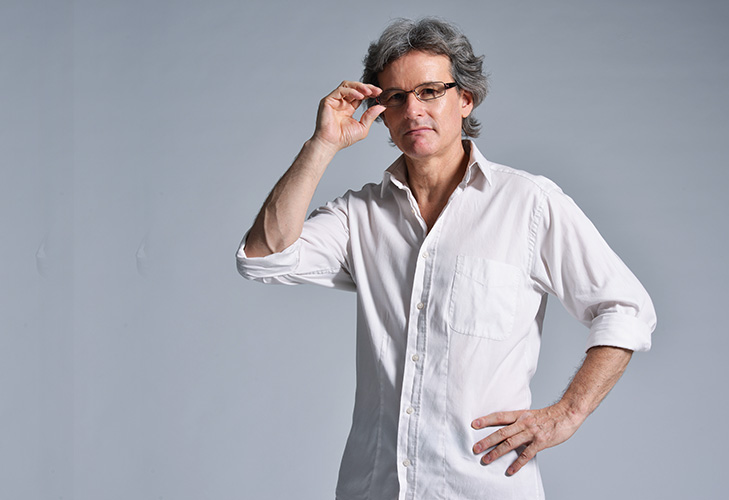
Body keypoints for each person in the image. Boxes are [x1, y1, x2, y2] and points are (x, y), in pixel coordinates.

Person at [236, 17, 656, 500]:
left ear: (465, 99)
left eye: (430, 91)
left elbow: (626, 308)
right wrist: (323, 144)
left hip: (482, 488)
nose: (412, 109)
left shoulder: (529, 204)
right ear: (381, 113)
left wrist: (567, 414)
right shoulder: (360, 215)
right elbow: (263, 256)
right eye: (396, 97)